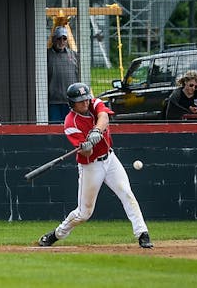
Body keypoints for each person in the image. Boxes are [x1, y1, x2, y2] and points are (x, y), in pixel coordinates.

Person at [37, 82, 153, 249]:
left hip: (110, 159)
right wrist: (86, 146)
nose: (85, 103)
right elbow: (87, 154)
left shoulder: (94, 103)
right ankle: (57, 234)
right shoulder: (71, 124)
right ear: (72, 104)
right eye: (80, 101)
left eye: (86, 99)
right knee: (84, 213)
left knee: (127, 193)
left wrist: (96, 131)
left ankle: (142, 233)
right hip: (91, 166)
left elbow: (104, 117)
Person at [47, 25, 80, 124]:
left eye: (64, 38)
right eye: (59, 38)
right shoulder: (46, 55)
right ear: (53, 39)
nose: (61, 41)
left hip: (70, 102)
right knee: (54, 129)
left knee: (71, 127)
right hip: (53, 102)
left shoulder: (74, 55)